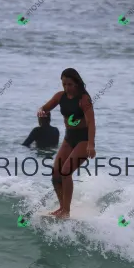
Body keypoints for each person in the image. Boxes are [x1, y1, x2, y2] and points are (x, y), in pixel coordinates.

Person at [37, 68, 96, 219]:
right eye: (64, 84)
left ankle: (66, 211)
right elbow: (44, 108)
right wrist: (41, 112)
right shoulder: (60, 96)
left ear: (76, 83)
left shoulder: (84, 99)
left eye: (70, 84)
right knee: (56, 173)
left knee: (65, 172)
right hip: (69, 137)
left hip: (83, 139)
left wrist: (91, 144)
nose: (67, 87)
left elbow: (91, 123)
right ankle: (62, 207)